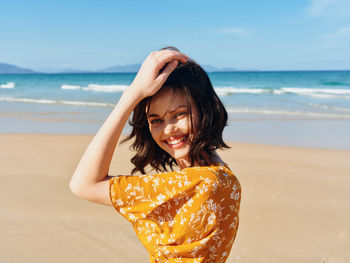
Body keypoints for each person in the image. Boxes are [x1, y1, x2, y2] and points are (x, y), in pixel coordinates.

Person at [69, 47, 241, 262]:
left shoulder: (196, 183)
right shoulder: (223, 175)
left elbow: (83, 185)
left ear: (204, 110)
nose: (168, 129)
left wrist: (132, 94)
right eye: (156, 120)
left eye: (179, 114)